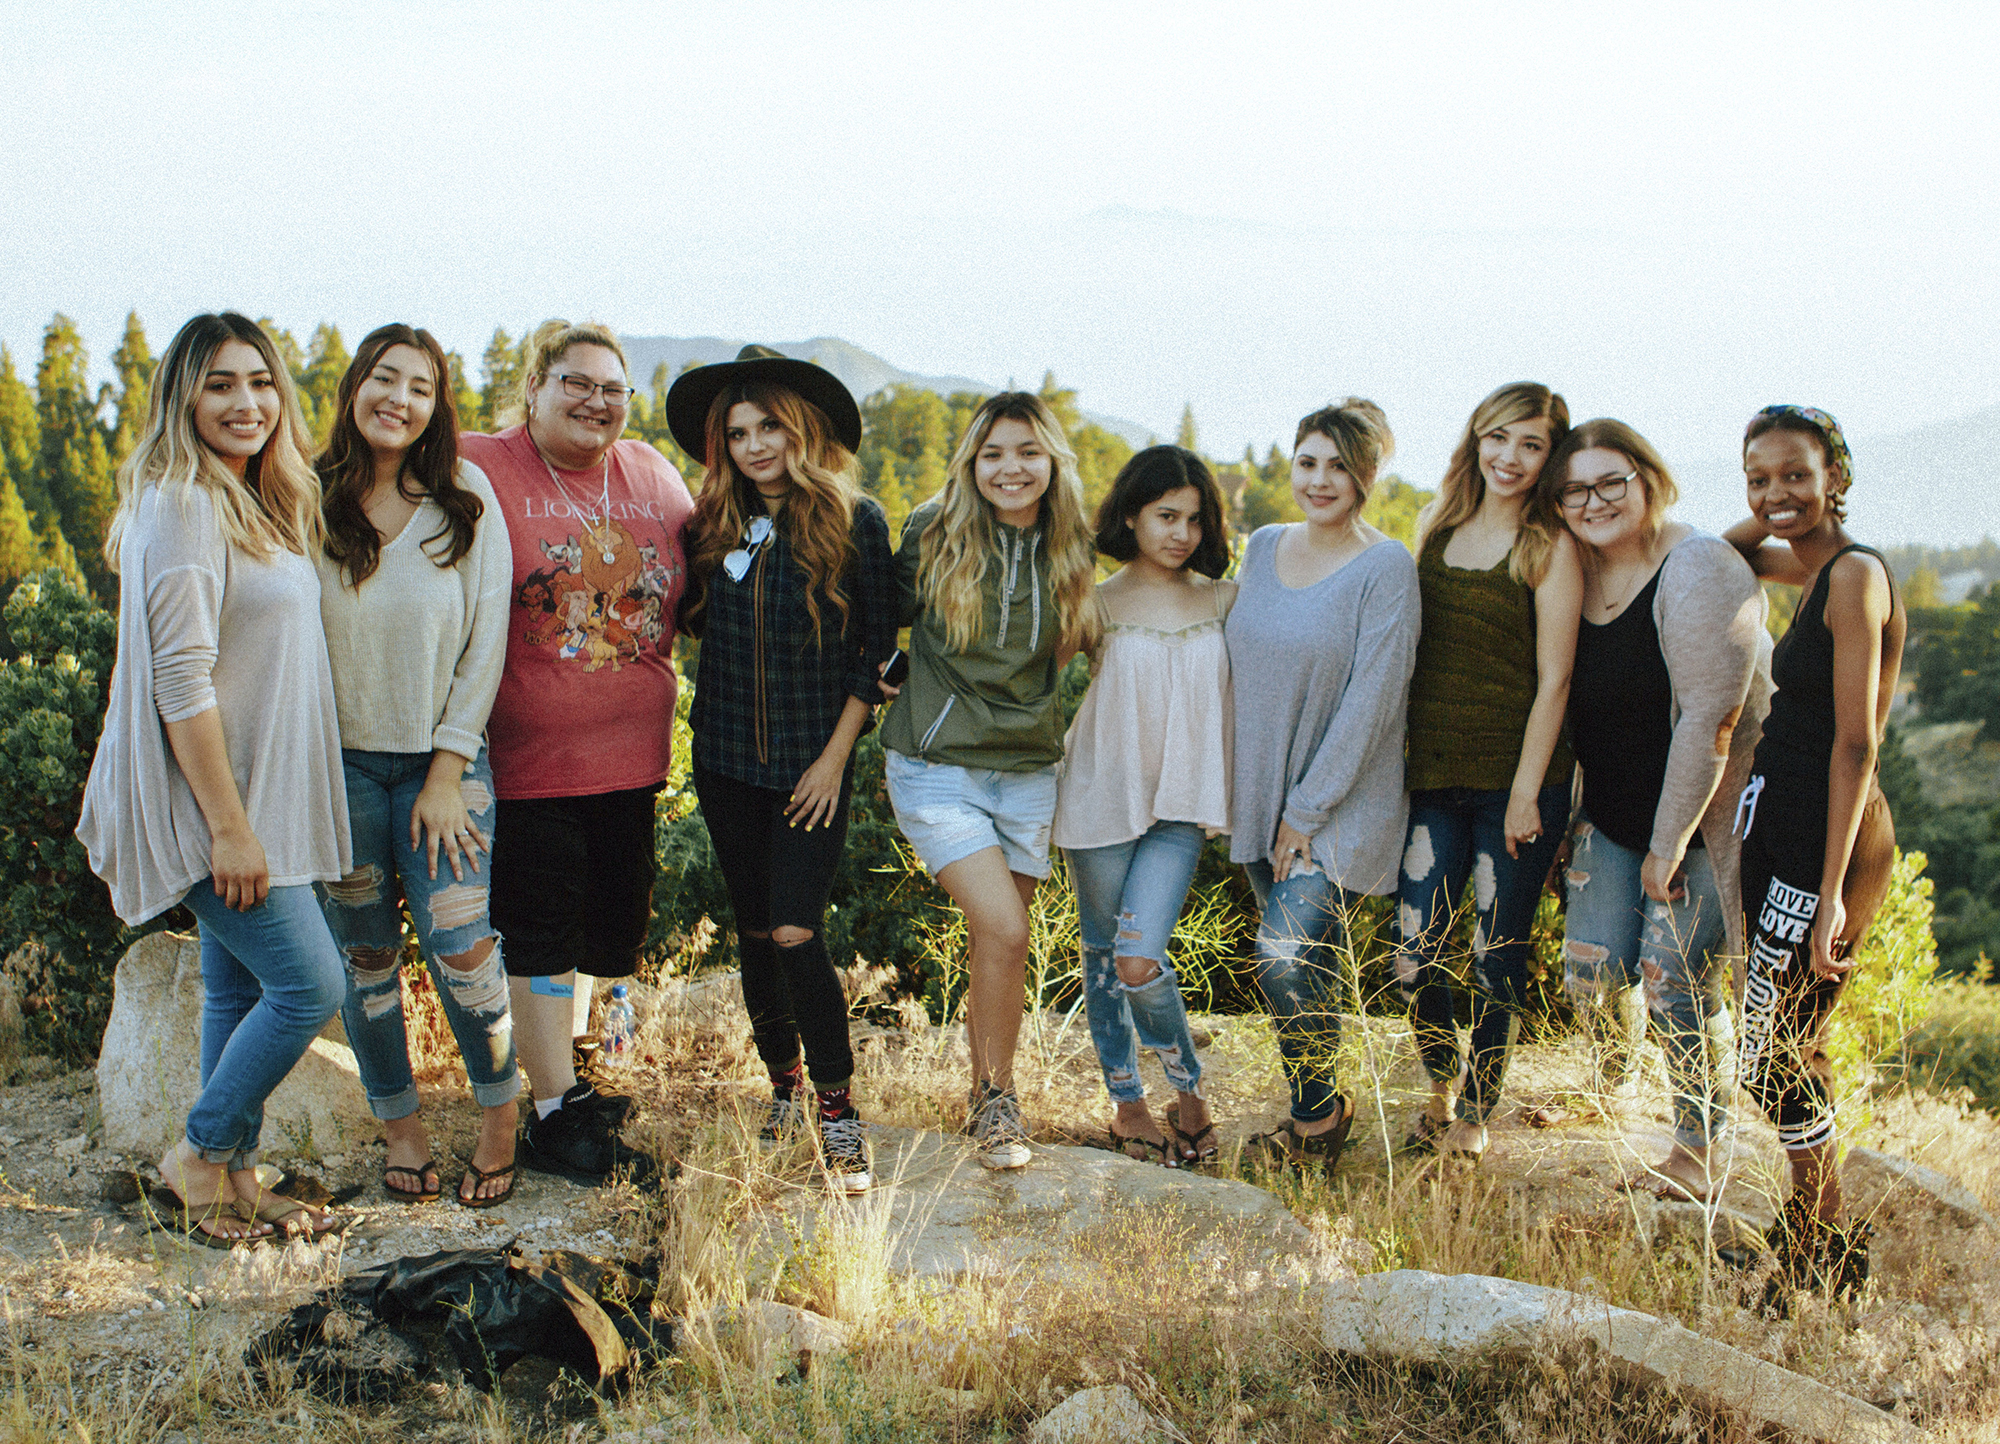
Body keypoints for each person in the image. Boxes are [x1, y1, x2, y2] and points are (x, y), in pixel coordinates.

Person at [77, 313, 348, 1245]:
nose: (247, 402)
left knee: (236, 991)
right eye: (222, 384)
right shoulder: (187, 502)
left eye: (261, 382)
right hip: (217, 808)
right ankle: (197, 1152)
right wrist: (230, 829)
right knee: (313, 986)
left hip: (257, 798)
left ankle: (231, 1178)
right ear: (182, 397)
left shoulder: (244, 498)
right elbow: (179, 680)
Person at [461, 320, 693, 1183]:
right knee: (543, 932)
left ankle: (577, 1080)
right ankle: (554, 1109)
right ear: (533, 387)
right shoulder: (480, 462)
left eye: (612, 389)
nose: (596, 401)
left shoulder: (654, 476)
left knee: (607, 928)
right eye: (575, 382)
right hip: (530, 758)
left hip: (636, 757)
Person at [667, 346, 897, 1194]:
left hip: (813, 770)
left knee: (798, 929)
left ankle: (837, 1110)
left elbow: (878, 656)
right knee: (757, 932)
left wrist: (836, 759)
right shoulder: (710, 525)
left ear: (801, 430)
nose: (755, 444)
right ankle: (783, 1086)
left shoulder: (854, 520)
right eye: (737, 431)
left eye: (769, 426)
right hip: (725, 763)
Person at [313, 324, 518, 1207]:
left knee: (462, 949)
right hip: (335, 774)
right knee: (364, 959)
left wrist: (444, 773)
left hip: (446, 767)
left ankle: (500, 1119)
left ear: (438, 406)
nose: (398, 398)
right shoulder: (304, 498)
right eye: (383, 378)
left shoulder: (464, 496)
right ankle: (400, 1126)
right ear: (356, 386)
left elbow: (485, 647)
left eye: (421, 386)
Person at [1543, 419, 1770, 1203]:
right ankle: (1617, 1094)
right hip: (1608, 814)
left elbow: (1713, 717)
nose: (1594, 501)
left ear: (1648, 477)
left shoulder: (1697, 565)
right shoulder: (1574, 567)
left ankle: (1700, 1149)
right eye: (1575, 489)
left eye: (1612, 482)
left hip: (1701, 823)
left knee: (1673, 978)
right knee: (1591, 969)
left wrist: (1667, 845)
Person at [880, 392, 1099, 1170]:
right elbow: (877, 617)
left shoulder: (1072, 543)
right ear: (972, 461)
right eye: (994, 454)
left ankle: (988, 1094)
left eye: (1028, 453)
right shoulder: (933, 531)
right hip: (937, 767)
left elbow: (1074, 648)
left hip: (1029, 771)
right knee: (1009, 929)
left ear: (1052, 462)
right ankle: (999, 1102)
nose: (1011, 469)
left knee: (995, 943)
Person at [1723, 404, 1905, 1294]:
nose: (1775, 494)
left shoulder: (1855, 576)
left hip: (1821, 840)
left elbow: (1857, 744)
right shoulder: (1813, 563)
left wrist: (1830, 889)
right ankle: (1814, 1227)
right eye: (1758, 478)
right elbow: (1722, 555)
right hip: (1783, 826)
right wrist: (1776, 512)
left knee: (1779, 1042)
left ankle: (1823, 1239)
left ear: (1837, 471)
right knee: (1773, 1036)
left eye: (1797, 473)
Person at [1227, 398, 1420, 1173]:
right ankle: (1318, 1117)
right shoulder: (1263, 544)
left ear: (1368, 475)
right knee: (1304, 967)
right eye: (1308, 461)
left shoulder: (1386, 566)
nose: (1320, 479)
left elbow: (1374, 701)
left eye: (1340, 465)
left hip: (1338, 804)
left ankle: (1318, 1116)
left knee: (1280, 955)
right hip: (1261, 799)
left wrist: (1305, 810)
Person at [1395, 383, 1580, 1162]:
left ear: (1550, 456)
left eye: (1531, 444)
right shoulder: (1436, 528)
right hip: (1431, 775)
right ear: (1476, 439)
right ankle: (1439, 1079)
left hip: (1516, 781)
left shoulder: (1550, 547)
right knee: (1413, 949)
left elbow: (1556, 681)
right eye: (1498, 438)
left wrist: (1528, 793)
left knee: (1494, 948)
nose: (1510, 457)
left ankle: (1475, 1108)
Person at [1054, 446, 1234, 1166]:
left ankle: (1188, 1094)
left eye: (1194, 519)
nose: (1181, 533)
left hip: (1179, 810)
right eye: (1166, 516)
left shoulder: (1226, 600)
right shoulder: (1095, 601)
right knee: (1104, 959)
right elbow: (1025, 686)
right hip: (1098, 798)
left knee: (1137, 959)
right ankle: (1128, 1106)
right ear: (1132, 515)